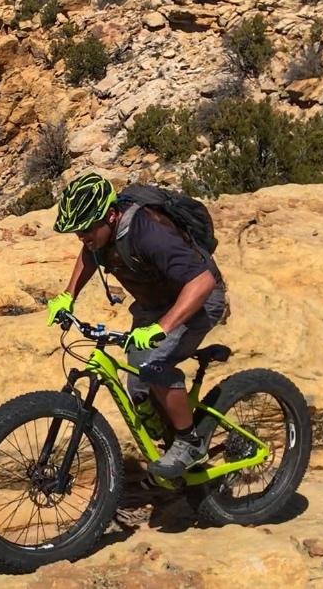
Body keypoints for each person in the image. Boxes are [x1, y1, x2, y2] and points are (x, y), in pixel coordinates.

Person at [46, 171, 228, 479]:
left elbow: (202, 281)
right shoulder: (99, 236)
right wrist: (68, 296)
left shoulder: (148, 233)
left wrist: (161, 328)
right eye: (77, 232)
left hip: (196, 300)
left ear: (111, 215)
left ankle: (190, 444)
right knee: (138, 382)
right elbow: (90, 254)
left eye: (87, 229)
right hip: (154, 302)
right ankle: (170, 439)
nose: (83, 237)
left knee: (154, 365)